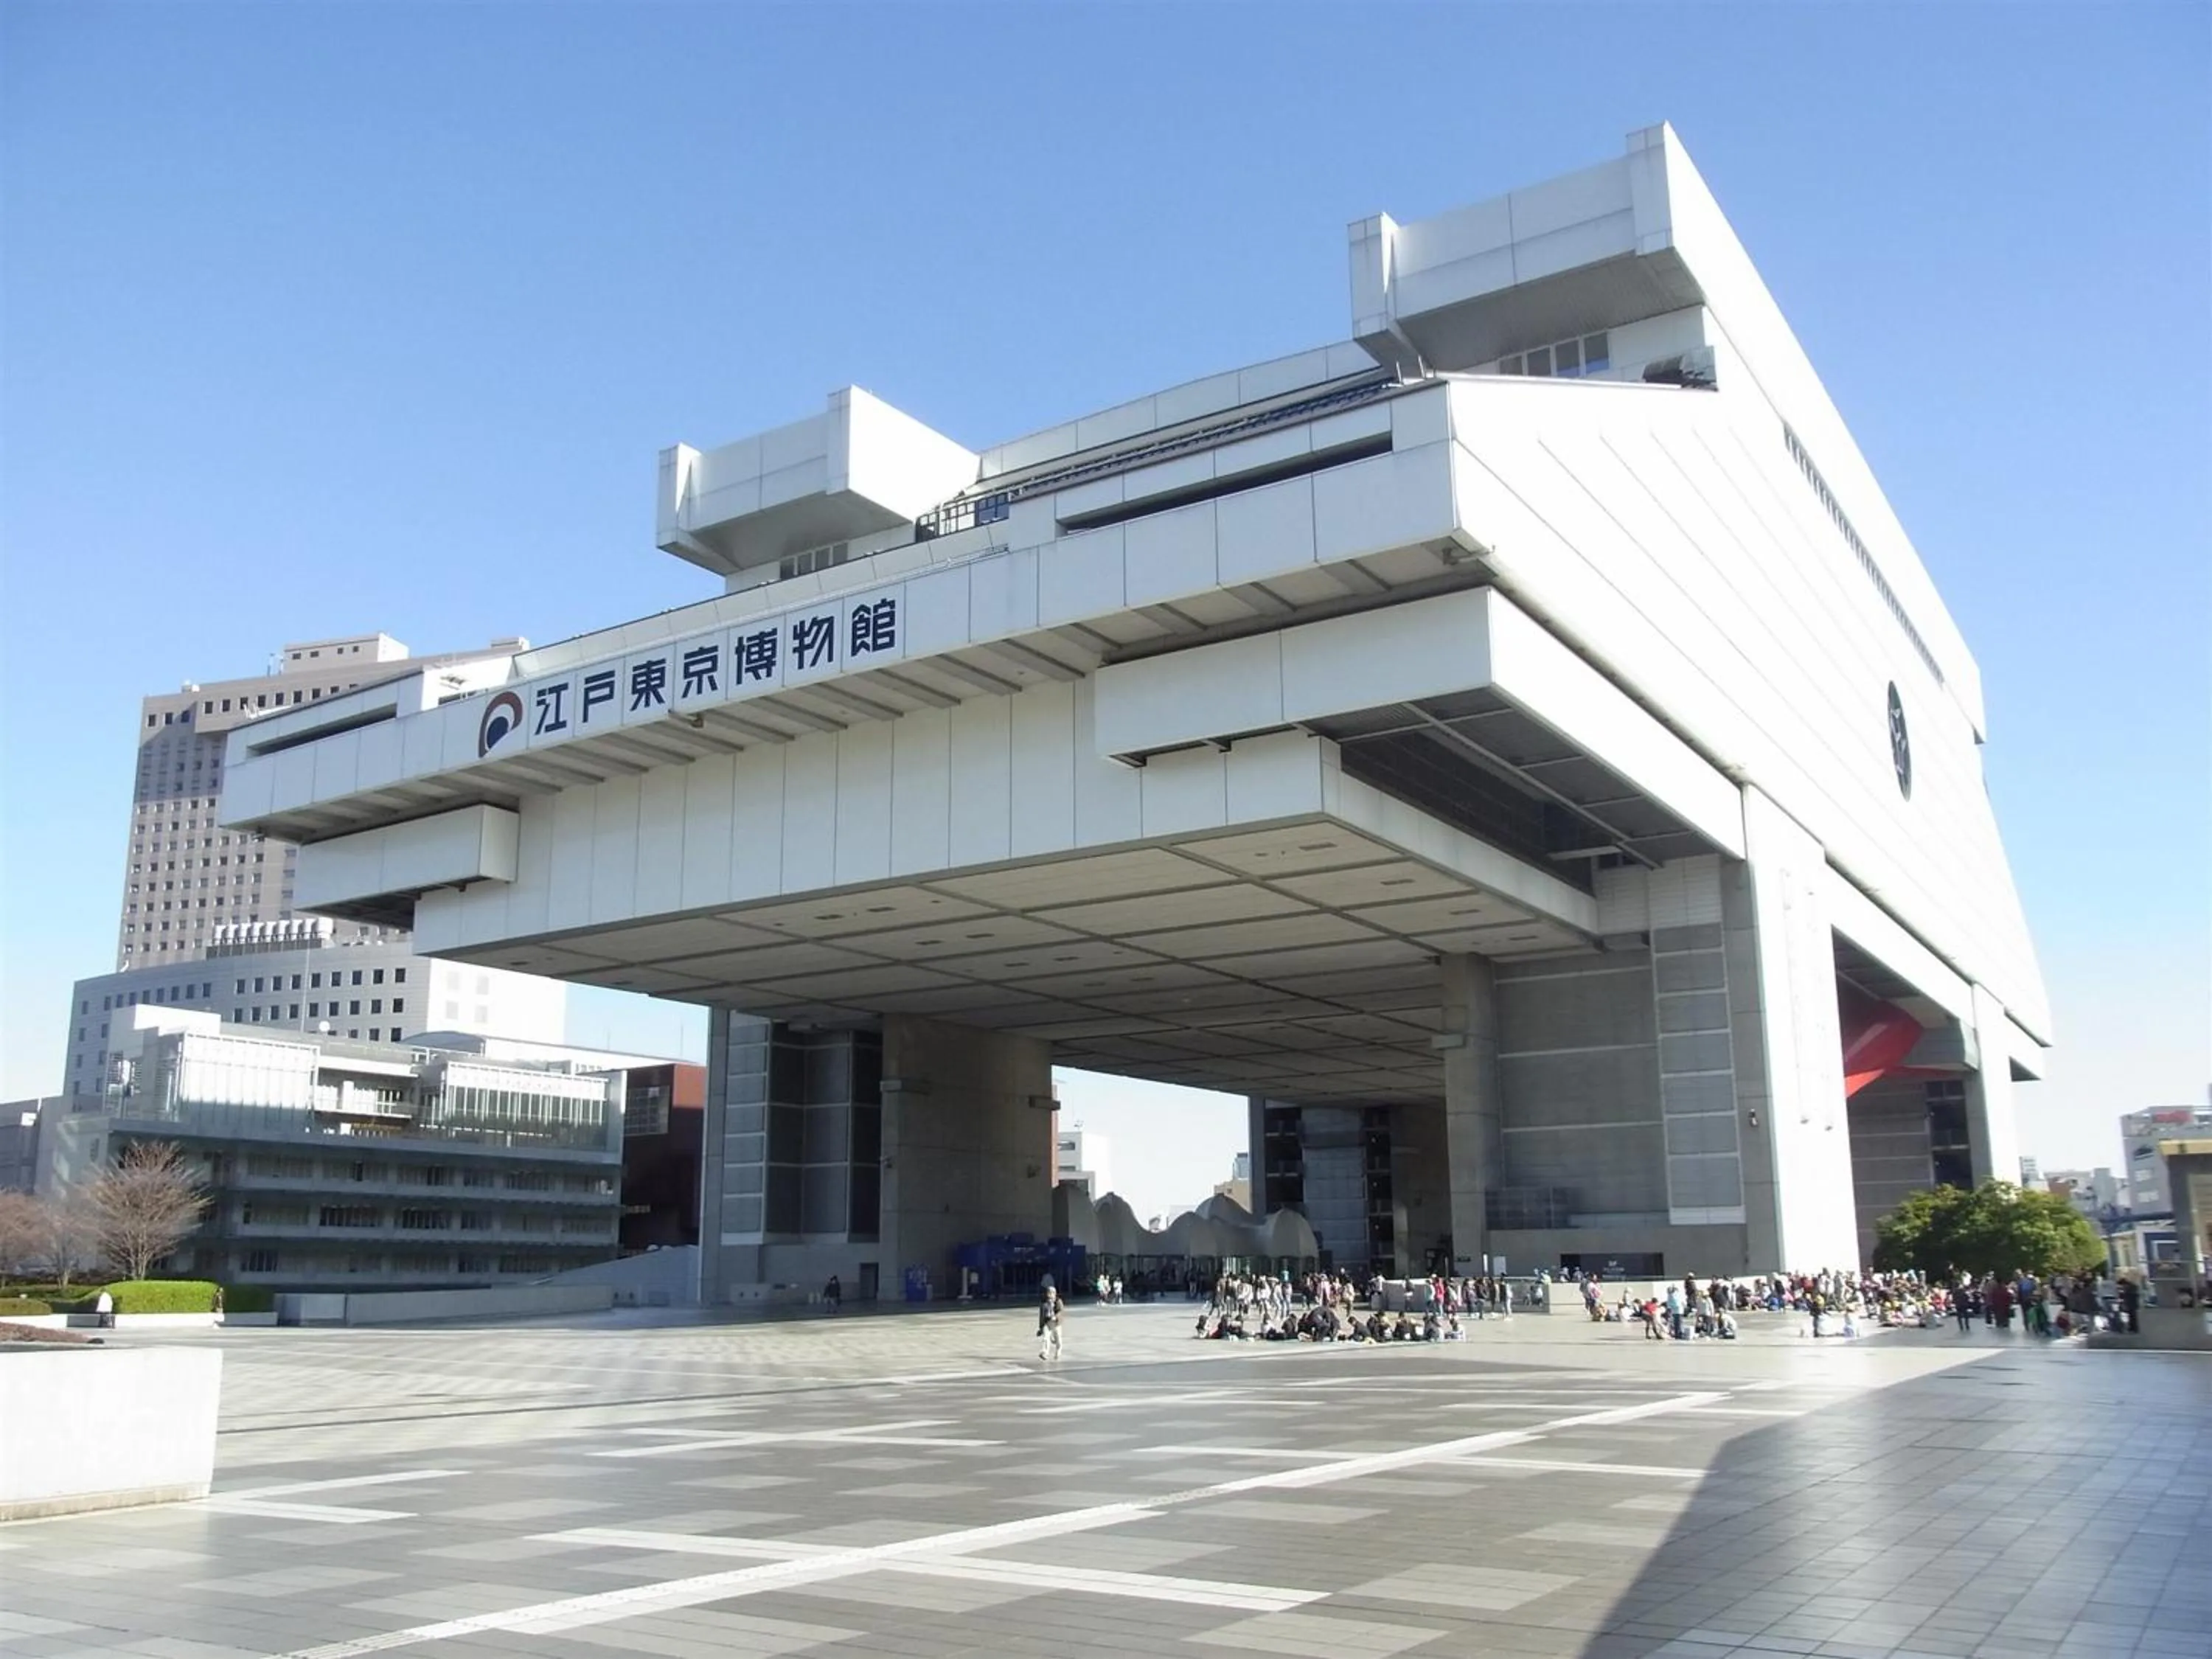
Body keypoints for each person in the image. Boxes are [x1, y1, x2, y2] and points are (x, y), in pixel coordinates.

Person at [1037, 1281, 1064, 1361]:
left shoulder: (1058, 1301)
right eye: (1049, 1293)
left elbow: (1061, 1311)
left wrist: (1056, 1317)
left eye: (1052, 1293)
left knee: (1058, 1339)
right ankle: (1045, 1353)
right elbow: (1041, 1315)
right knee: (1046, 1338)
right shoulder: (1044, 1303)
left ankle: (1058, 1352)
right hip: (1047, 1322)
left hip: (1056, 1323)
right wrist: (1041, 1327)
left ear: (1055, 1294)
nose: (1050, 1295)